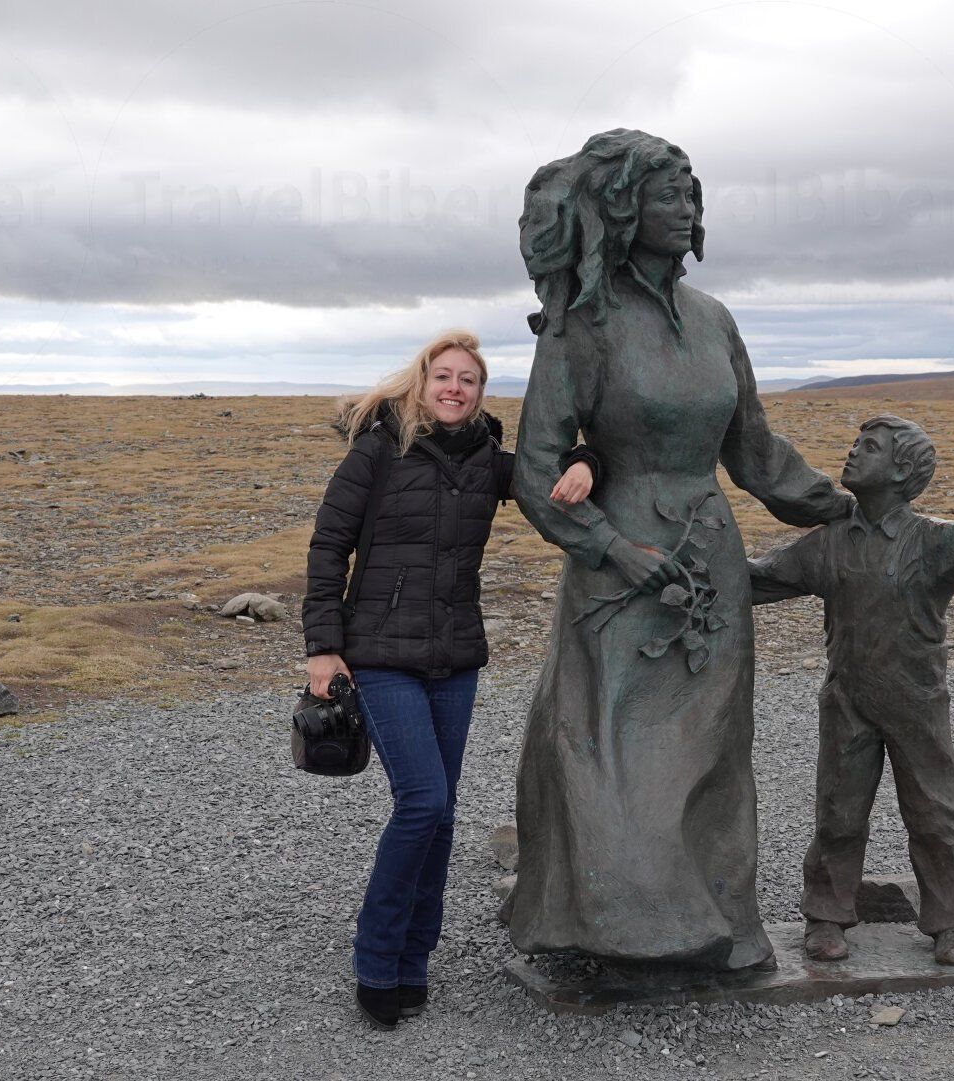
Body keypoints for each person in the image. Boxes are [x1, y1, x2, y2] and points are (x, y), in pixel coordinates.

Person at [506, 129, 854, 971]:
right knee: (613, 743)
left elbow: (754, 450)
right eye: (669, 193)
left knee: (712, 746)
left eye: (692, 193)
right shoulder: (581, 325)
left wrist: (839, 503)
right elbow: (536, 470)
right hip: (619, 569)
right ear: (625, 210)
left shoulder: (714, 320)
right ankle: (607, 925)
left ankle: (718, 925)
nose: (688, 207)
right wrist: (610, 547)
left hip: (709, 560)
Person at [302, 328, 596, 1030]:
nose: (455, 388)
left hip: (454, 658)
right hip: (379, 655)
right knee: (422, 802)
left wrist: (588, 459)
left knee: (441, 816)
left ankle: (414, 960)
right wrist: (323, 649)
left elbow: (555, 476)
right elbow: (328, 546)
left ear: (481, 392)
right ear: (422, 382)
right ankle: (376, 959)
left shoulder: (489, 463)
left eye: (468, 379)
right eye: (444, 376)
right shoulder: (379, 450)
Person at [747, 415, 954, 966]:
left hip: (917, 703)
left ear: (901, 470)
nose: (852, 452)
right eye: (856, 443)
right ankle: (826, 915)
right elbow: (759, 576)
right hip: (847, 700)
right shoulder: (828, 544)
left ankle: (950, 922)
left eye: (868, 447)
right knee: (838, 812)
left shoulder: (932, 541)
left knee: (935, 813)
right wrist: (693, 564)